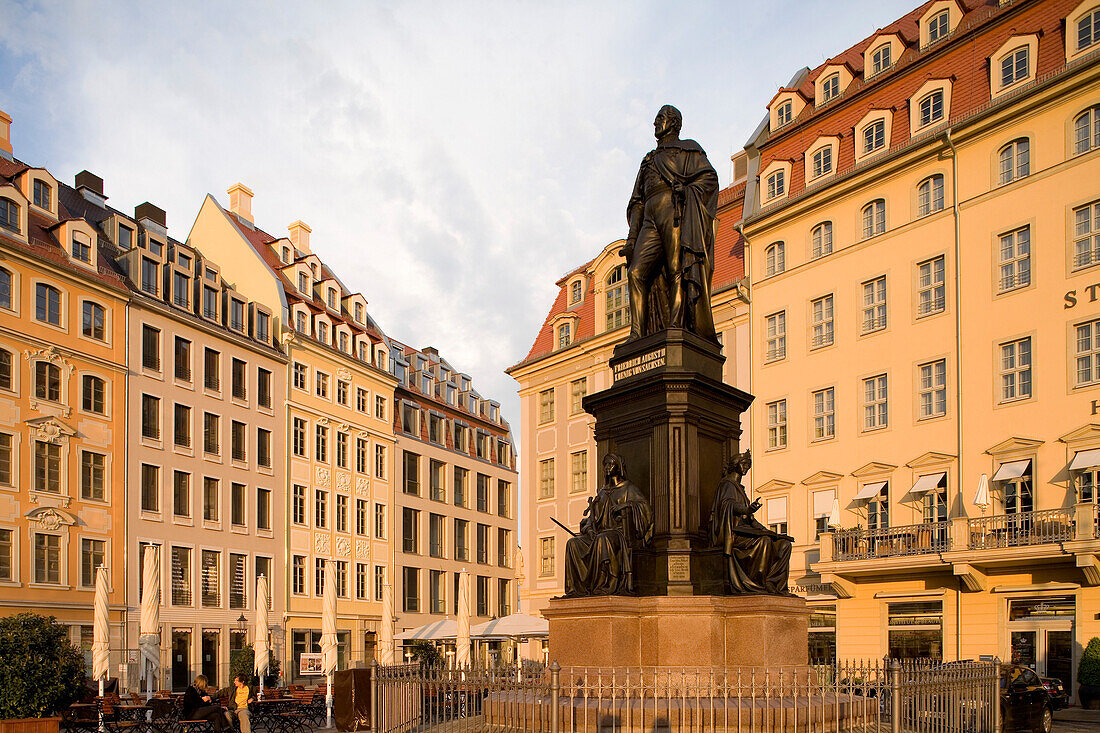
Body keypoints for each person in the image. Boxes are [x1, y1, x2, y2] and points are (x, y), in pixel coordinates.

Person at [623, 104, 720, 341]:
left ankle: (676, 326)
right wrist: (632, 237)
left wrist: (687, 190)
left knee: (677, 268)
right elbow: (637, 201)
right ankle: (637, 333)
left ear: (674, 123)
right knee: (636, 272)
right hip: (649, 216)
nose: (655, 123)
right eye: (656, 119)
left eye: (660, 118)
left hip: (674, 209)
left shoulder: (689, 150)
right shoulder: (648, 160)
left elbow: (709, 178)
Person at [564, 453, 654, 596]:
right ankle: (576, 589)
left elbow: (645, 509)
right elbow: (590, 519)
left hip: (618, 535)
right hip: (599, 534)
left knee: (603, 539)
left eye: (610, 464)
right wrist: (589, 530)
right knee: (573, 543)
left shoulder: (628, 488)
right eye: (605, 464)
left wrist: (626, 505)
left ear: (618, 467)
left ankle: (606, 584)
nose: (607, 467)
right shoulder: (602, 492)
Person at [708, 451, 794, 595]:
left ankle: (772, 583)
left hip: (747, 532)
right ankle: (758, 584)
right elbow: (727, 505)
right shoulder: (727, 484)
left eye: (748, 465)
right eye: (743, 464)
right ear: (735, 465)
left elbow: (751, 520)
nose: (746, 467)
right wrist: (746, 509)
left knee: (784, 545)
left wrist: (771, 532)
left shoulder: (740, 489)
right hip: (733, 533)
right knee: (764, 542)